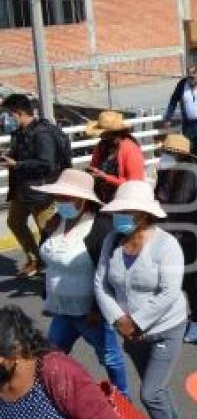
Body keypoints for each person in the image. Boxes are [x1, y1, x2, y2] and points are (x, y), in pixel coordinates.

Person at [94, 180, 188, 419]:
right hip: (128, 330)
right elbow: (101, 284)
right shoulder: (112, 241)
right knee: (156, 384)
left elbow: (170, 291)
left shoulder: (167, 246)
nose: (120, 218)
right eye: (118, 212)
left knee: (150, 393)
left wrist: (135, 321)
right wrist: (118, 319)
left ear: (145, 214)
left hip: (166, 327)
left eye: (128, 212)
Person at [34, 169, 128, 395]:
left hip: (89, 313)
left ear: (83, 200)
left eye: (67, 197)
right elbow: (50, 260)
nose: (60, 202)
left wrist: (98, 309)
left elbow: (106, 273)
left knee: (110, 358)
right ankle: (53, 399)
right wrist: (46, 233)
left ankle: (124, 401)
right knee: (51, 357)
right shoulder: (55, 222)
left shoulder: (100, 228)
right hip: (62, 310)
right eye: (59, 197)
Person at [154, 134, 197, 343]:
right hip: (166, 236)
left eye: (168, 153)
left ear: (180, 156)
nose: (164, 156)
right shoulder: (164, 173)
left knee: (188, 281)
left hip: (190, 238)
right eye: (163, 152)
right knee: (173, 279)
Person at [2, 94, 64, 277]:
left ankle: (55, 267)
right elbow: (23, 154)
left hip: (41, 192)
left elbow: (47, 163)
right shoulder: (20, 132)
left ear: (19, 113)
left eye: (8, 114)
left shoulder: (42, 133)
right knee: (14, 222)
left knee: (47, 232)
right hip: (23, 189)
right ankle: (35, 259)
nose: (6, 119)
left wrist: (17, 164)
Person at [85, 110, 146, 204]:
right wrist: (93, 173)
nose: (101, 136)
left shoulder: (131, 150)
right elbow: (95, 165)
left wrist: (106, 177)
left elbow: (134, 185)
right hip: (101, 200)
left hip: (123, 201)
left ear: (114, 133)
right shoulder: (102, 146)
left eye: (104, 134)